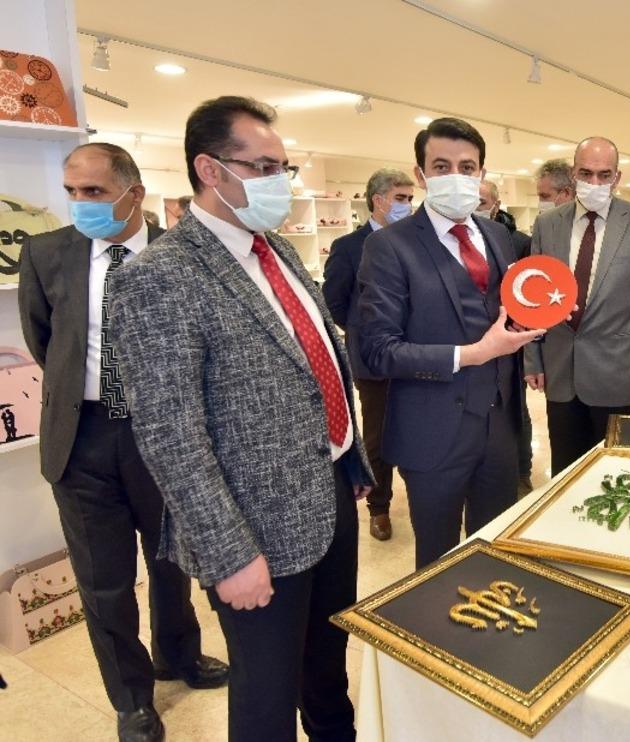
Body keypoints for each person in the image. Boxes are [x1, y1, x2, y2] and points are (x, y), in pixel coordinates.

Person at [108, 96, 374, 742]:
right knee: (265, 695)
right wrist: (229, 555)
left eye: (284, 168)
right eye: (263, 167)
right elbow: (170, 434)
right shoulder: (161, 276)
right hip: (254, 528)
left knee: (326, 666)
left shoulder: (275, 249)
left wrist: (351, 455)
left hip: (329, 493)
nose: (280, 183)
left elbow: (317, 358)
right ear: (210, 169)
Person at [18, 142, 227, 742]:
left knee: (172, 562)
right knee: (103, 580)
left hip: (162, 435)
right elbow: (47, 342)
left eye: (94, 192)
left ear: (133, 193)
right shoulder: (47, 254)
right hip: (80, 441)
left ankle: (179, 656)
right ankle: (132, 698)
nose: (81, 204)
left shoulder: (183, 253)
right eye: (73, 192)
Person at [357, 117, 543, 568]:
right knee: (437, 567)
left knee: (494, 553)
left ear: (481, 173)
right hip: (432, 433)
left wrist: (538, 318)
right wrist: (475, 354)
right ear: (421, 176)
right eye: (441, 166)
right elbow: (378, 351)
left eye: (467, 166)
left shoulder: (497, 236)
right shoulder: (390, 247)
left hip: (500, 429)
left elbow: (502, 313)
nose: (455, 177)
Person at [524, 137, 630, 475]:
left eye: (604, 175)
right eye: (586, 173)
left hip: (618, 373)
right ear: (573, 173)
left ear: (617, 178)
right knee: (565, 471)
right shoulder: (548, 224)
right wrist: (533, 358)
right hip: (561, 370)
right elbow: (533, 300)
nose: (595, 183)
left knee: (616, 473)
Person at [322, 168, 415, 541]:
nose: (408, 206)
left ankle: (423, 492)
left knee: (417, 427)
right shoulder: (348, 247)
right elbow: (335, 302)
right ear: (378, 200)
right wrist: (367, 334)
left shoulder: (415, 241)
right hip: (374, 360)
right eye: (402, 198)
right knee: (377, 436)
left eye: (410, 199)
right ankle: (379, 507)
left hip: (416, 355)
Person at [477, 178, 535, 493]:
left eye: (482, 202)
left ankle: (521, 469)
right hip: (473, 345)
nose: (475, 208)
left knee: (515, 408)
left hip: (513, 341)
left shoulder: (518, 242)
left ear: (497, 206)